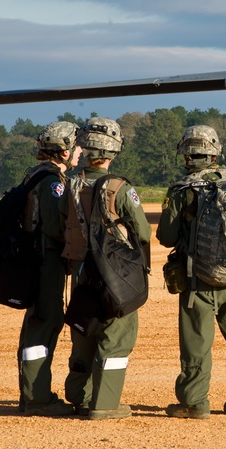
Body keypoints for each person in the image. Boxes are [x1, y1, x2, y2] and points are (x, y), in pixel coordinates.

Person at [157, 125, 226, 418]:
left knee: (196, 345)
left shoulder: (181, 190)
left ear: (186, 155)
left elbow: (166, 237)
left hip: (198, 281)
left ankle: (194, 402)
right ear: (215, 152)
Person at [63, 117, 151, 420]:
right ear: (113, 153)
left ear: (84, 149)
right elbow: (143, 232)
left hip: (79, 271)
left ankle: (79, 396)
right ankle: (104, 404)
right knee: (117, 335)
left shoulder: (69, 185)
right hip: (114, 273)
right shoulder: (120, 189)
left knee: (84, 331)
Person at [17, 121, 81, 417]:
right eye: (76, 146)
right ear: (64, 151)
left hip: (31, 261)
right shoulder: (53, 182)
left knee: (36, 324)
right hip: (47, 262)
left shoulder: (33, 175)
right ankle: (38, 398)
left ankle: (30, 394)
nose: (80, 151)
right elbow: (56, 227)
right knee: (46, 322)